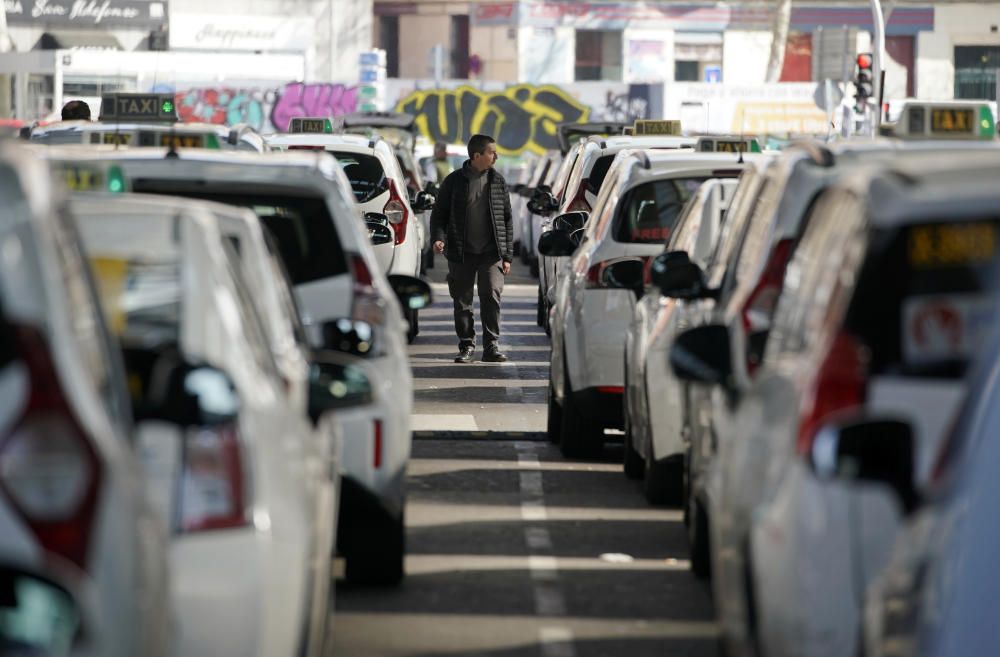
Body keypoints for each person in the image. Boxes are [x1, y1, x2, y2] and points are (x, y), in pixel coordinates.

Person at [430, 134, 513, 363]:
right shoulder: (454, 181)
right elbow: (439, 215)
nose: (495, 156)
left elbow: (506, 219)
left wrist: (507, 256)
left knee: (491, 294)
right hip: (461, 251)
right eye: (491, 152)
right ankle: (466, 346)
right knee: (462, 301)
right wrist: (438, 238)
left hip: (491, 253)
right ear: (477, 156)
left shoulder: (498, 181)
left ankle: (491, 346)